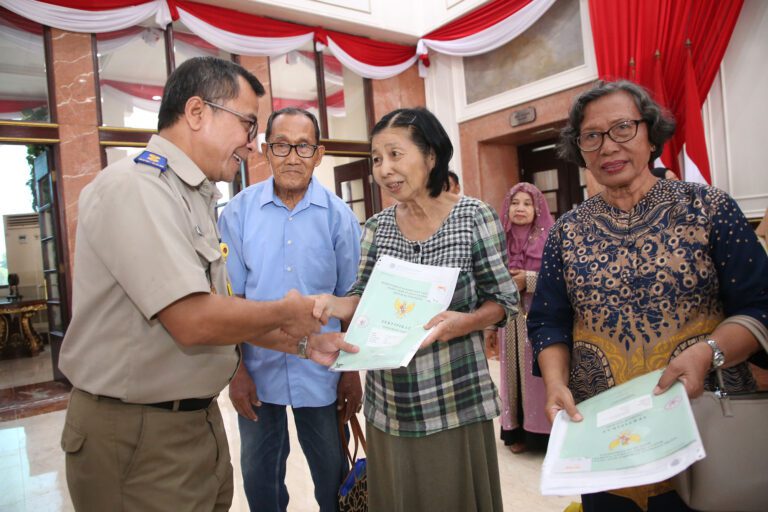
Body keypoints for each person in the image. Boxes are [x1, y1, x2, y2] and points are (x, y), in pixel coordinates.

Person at [58, 57, 357, 512]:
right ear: (197, 112)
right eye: (248, 124)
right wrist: (287, 313)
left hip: (190, 423)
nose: (252, 145)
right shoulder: (139, 189)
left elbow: (220, 311)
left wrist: (302, 347)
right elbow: (194, 320)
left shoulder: (193, 197)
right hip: (138, 434)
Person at [528, 80, 768, 512]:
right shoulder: (566, 231)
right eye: (591, 136)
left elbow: (760, 305)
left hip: (703, 424)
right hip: (603, 434)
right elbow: (548, 320)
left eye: (622, 128)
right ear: (579, 148)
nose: (607, 146)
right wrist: (555, 383)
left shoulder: (709, 208)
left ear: (651, 134)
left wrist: (708, 352)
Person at [314, 107, 519, 511]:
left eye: (395, 154)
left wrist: (468, 322)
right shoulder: (376, 227)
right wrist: (332, 303)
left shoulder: (473, 217)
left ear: (430, 156)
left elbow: (505, 301)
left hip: (455, 396)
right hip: (391, 403)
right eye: (376, 158)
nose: (384, 168)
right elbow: (361, 298)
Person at [218, 107, 362, 512]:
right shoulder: (238, 213)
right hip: (257, 374)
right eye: (282, 145)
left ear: (319, 154)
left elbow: (352, 299)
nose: (293, 156)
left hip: (324, 373)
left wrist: (350, 375)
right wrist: (238, 371)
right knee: (261, 482)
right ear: (266, 150)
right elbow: (231, 304)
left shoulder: (339, 218)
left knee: (333, 479)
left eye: (304, 146)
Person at [485, 182, 554, 454]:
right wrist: (490, 325)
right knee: (513, 375)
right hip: (510, 319)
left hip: (541, 316)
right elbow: (489, 283)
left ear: (537, 208)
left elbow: (559, 278)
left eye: (527, 203)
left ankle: (544, 433)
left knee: (539, 376)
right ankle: (517, 432)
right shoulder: (500, 240)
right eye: (515, 203)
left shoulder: (549, 237)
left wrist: (529, 279)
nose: (520, 208)